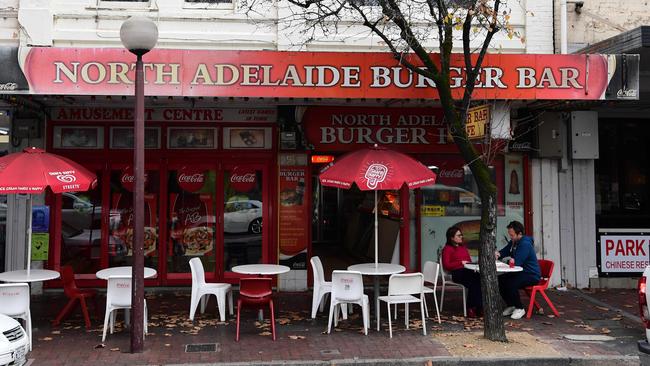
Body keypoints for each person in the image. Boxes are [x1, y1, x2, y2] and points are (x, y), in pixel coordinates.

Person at [496, 220, 541, 320]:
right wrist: (498, 254)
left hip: (531, 274)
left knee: (511, 283)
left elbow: (517, 262)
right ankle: (511, 305)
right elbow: (505, 251)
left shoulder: (525, 244)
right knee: (501, 280)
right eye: (509, 235)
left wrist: (506, 263)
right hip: (520, 271)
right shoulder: (514, 242)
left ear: (519, 234)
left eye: (512, 235)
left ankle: (519, 308)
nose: (510, 237)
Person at [441, 225, 482, 318]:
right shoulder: (447, 249)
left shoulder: (463, 247)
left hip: (467, 270)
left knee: (480, 279)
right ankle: (471, 308)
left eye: (461, 235)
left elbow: (468, 260)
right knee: (474, 282)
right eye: (458, 235)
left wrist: (471, 264)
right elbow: (446, 265)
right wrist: (460, 263)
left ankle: (479, 307)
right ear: (452, 238)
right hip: (457, 273)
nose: (461, 237)